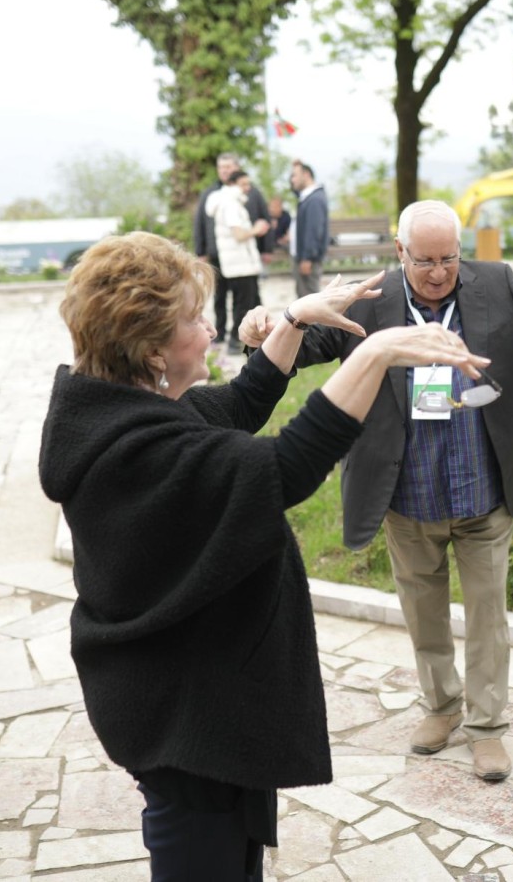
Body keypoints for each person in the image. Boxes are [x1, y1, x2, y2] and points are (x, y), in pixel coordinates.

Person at [39, 232, 486, 880]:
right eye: (195, 318)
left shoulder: (122, 416)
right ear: (152, 349)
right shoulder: (137, 451)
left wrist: (296, 319)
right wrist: (376, 352)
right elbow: (286, 467)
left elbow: (239, 403)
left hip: (201, 708)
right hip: (185, 728)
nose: (209, 330)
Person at [239, 200, 513, 782]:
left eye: (448, 259)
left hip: (483, 490)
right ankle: (441, 707)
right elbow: (299, 351)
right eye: (425, 261)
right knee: (423, 612)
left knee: (488, 616)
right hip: (405, 493)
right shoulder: (370, 302)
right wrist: (268, 329)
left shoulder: (498, 284)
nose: (438, 272)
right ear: (400, 252)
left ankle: (487, 727)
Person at [204, 169, 266, 351]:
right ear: (232, 184)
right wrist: (257, 229)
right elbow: (238, 234)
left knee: (252, 302)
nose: (248, 188)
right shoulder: (230, 204)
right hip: (239, 265)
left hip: (241, 264)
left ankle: (255, 341)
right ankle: (235, 341)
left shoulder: (231, 202)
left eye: (248, 184)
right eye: (243, 184)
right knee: (243, 305)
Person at [193, 153, 271, 284]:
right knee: (219, 293)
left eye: (228, 167)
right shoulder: (209, 193)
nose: (224, 170)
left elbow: (264, 218)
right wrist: (200, 252)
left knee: (247, 292)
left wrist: (267, 249)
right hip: (216, 254)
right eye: (221, 167)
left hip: (245, 255)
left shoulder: (252, 192)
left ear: (237, 167)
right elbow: (199, 223)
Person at [290, 161, 328, 298]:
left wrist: (307, 258)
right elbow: (294, 189)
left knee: (309, 298)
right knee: (303, 296)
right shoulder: (307, 197)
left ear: (306, 175)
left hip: (308, 258)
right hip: (303, 256)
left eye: (294, 175)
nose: (292, 180)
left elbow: (314, 231)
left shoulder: (314, 200)